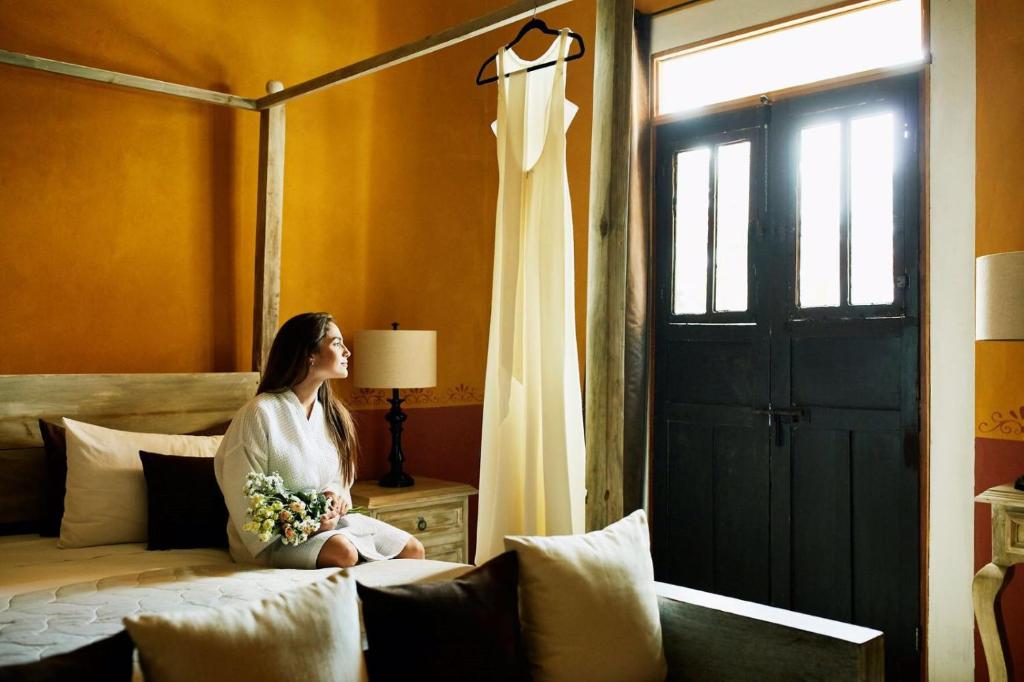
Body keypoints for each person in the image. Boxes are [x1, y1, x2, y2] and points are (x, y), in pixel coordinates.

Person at [214, 312, 425, 568]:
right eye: (337, 344)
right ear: (309, 355)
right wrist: (305, 521)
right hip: (276, 539)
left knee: (413, 549)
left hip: (332, 525)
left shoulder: (334, 415)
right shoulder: (259, 413)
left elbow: (340, 482)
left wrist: (334, 498)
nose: (347, 352)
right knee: (343, 552)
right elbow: (243, 492)